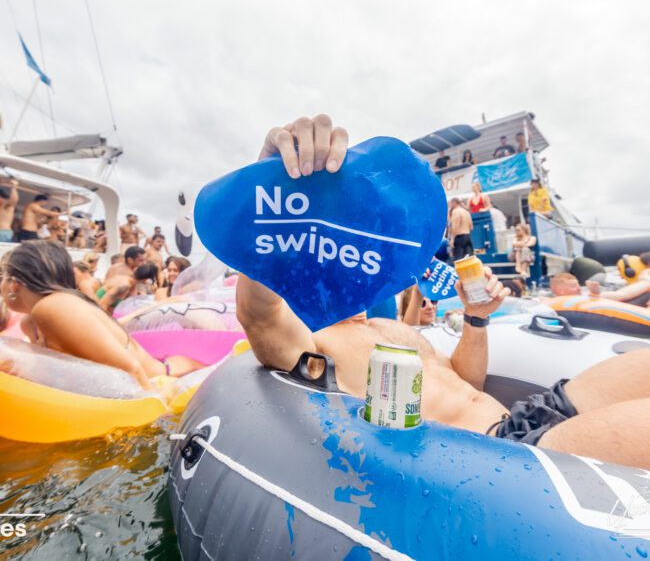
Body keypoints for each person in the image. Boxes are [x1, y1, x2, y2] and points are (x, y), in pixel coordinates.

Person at [238, 115, 650, 469]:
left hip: (529, 415)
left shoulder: (389, 326)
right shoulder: (316, 345)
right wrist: (272, 188)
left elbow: (466, 380)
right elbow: (259, 314)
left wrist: (476, 316)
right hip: (507, 457)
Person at [0, 241, 204, 384]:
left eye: (2, 277)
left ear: (14, 283)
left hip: (172, 377)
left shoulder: (52, 308)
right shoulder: (33, 321)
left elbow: (131, 369)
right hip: (159, 373)